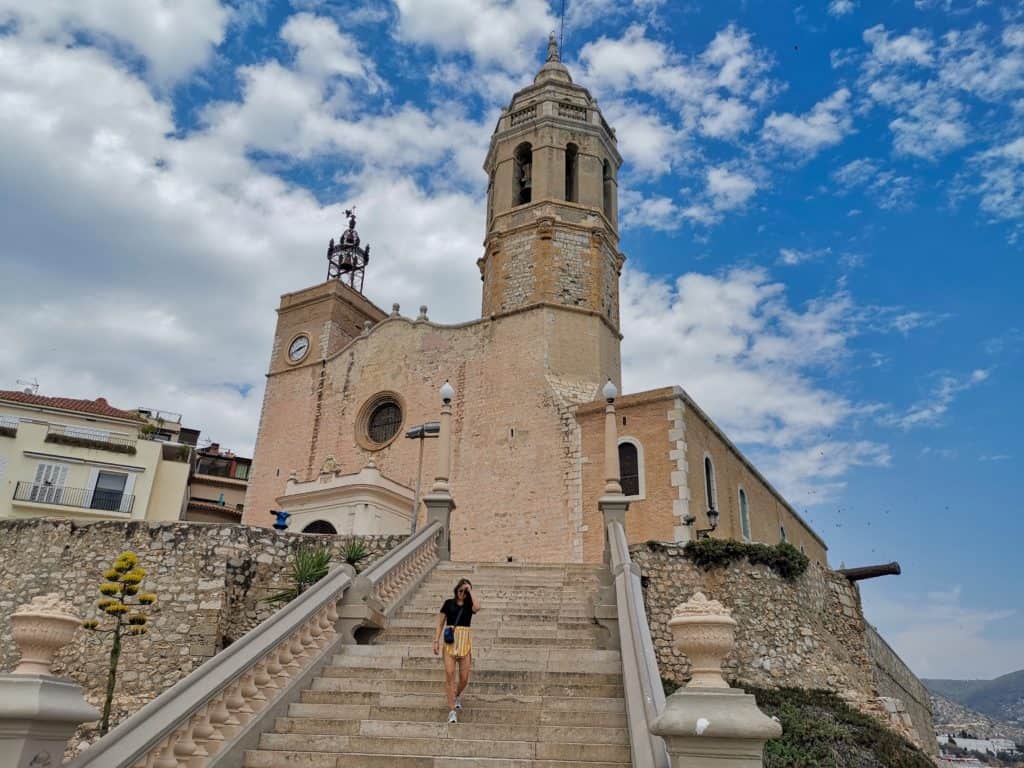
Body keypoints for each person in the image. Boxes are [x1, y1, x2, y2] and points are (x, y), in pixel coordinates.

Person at [433, 577, 481, 723]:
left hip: (465, 644)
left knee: (464, 678)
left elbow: (477, 608)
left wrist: (470, 591)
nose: (462, 594)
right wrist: (436, 641)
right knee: (449, 674)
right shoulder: (448, 603)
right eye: (461, 590)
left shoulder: (469, 605)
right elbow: (440, 623)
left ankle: (456, 694)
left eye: (465, 591)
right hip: (450, 644)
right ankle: (452, 710)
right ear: (456, 590)